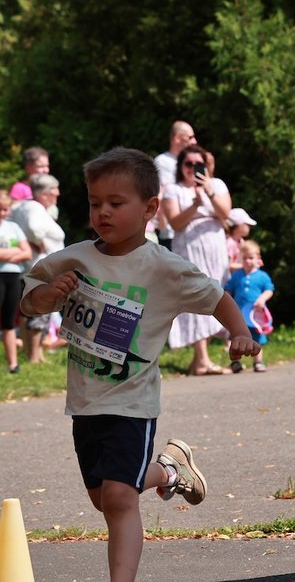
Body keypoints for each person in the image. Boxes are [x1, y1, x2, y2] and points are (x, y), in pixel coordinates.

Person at [19, 147, 259, 582]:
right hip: (85, 401)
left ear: (150, 208)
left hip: (134, 402)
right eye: (95, 203)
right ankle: (170, 468)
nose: (103, 213)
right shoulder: (75, 258)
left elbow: (217, 297)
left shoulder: (162, 267)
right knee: (102, 496)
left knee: (119, 497)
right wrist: (48, 293)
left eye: (115, 203)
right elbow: (29, 294)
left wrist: (239, 332)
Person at [161, 145, 233, 375]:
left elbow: (225, 213)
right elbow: (175, 223)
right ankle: (202, 360)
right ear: (181, 167)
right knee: (197, 297)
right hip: (189, 248)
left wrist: (208, 192)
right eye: (188, 164)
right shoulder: (174, 190)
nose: (192, 169)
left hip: (215, 247)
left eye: (197, 164)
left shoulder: (217, 185)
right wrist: (195, 205)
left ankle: (198, 360)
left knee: (216, 295)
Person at [11, 174, 66, 363]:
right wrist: (39, 243)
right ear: (43, 194)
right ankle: (34, 357)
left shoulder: (22, 206)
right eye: (54, 190)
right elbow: (34, 229)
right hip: (42, 267)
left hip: (29, 267)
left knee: (28, 311)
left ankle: (33, 354)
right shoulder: (35, 208)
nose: (57, 193)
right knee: (40, 311)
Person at [224, 240, 274, 372]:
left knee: (256, 338)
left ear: (258, 258)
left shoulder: (262, 276)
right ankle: (235, 362)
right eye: (244, 258)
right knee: (236, 338)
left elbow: (269, 289)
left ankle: (258, 362)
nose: (247, 261)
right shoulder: (237, 275)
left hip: (255, 316)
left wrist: (262, 299)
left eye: (251, 258)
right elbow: (229, 290)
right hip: (238, 314)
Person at [0, 190, 32, 373]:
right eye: (0, 209)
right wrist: (15, 254)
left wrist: (6, 255)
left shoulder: (13, 227)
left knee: (9, 321)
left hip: (13, 277)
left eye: (5, 209)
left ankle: (13, 364)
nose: (3, 213)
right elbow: (20, 252)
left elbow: (27, 253)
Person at [153, 121, 198, 249]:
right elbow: (164, 193)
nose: (194, 142)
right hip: (172, 233)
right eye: (190, 137)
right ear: (177, 138)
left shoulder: (194, 161)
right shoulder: (162, 162)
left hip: (193, 231)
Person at [225, 207, 256, 274]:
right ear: (238, 225)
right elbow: (228, 265)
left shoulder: (240, 241)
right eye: (247, 224)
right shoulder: (230, 243)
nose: (249, 227)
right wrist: (246, 265)